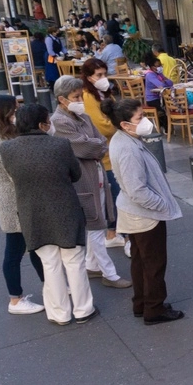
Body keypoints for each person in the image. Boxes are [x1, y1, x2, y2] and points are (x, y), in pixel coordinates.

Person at [0, 104, 98, 327]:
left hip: (32, 212)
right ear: (43, 124)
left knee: (49, 263)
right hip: (65, 209)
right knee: (74, 262)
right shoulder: (60, 145)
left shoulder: (7, 149)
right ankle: (84, 310)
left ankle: (59, 314)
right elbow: (75, 174)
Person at [102, 98, 185, 325]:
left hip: (135, 213)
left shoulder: (124, 139)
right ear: (125, 125)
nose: (145, 121)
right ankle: (154, 309)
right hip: (144, 215)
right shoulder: (128, 148)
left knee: (140, 261)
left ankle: (142, 303)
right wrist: (162, 205)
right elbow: (137, 190)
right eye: (140, 118)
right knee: (153, 263)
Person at [49, 76, 131, 290]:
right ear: (62, 99)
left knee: (98, 221)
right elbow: (84, 147)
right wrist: (94, 146)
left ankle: (92, 265)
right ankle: (109, 273)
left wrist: (94, 145)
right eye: (75, 97)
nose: (80, 100)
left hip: (95, 173)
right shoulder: (59, 121)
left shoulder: (81, 116)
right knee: (95, 225)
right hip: (82, 180)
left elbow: (99, 142)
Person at [0, 96, 46, 316]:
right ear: (5, 114)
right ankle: (15, 299)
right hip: (14, 204)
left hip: (17, 202)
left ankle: (49, 286)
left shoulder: (2, 137)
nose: (18, 112)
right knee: (15, 252)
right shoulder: (1, 143)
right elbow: (15, 175)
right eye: (14, 109)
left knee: (33, 248)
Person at [80, 58, 126, 250]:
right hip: (104, 154)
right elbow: (100, 125)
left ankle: (114, 231)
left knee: (116, 192)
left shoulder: (103, 93)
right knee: (113, 194)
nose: (103, 78)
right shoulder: (88, 96)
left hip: (112, 149)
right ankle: (112, 232)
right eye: (99, 75)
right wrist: (120, 127)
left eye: (104, 74)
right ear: (89, 77)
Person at [143, 55, 174, 129]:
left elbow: (170, 83)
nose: (160, 67)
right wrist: (163, 81)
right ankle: (167, 128)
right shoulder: (150, 75)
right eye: (158, 66)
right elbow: (161, 85)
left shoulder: (159, 73)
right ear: (152, 67)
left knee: (171, 105)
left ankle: (168, 124)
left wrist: (164, 81)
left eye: (160, 65)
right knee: (164, 109)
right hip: (152, 99)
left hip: (160, 96)